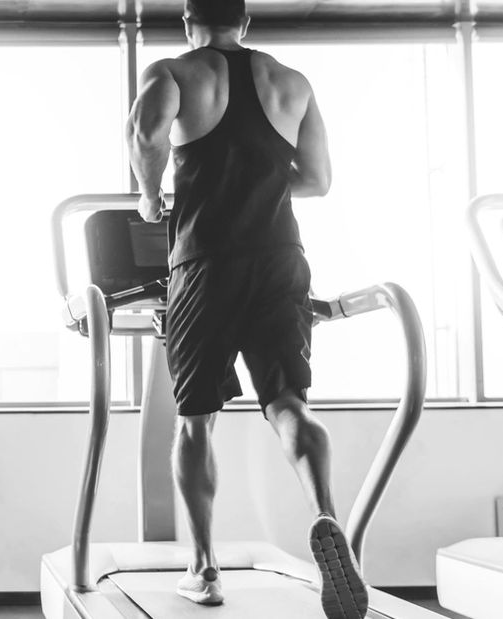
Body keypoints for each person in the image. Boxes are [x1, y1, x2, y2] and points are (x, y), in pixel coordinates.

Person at [125, 1, 366, 618]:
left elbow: (146, 136)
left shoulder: (174, 73)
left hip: (204, 260)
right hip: (281, 257)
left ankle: (204, 569)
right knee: (288, 402)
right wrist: (258, 176)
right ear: (245, 23)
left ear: (187, 22)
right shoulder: (292, 83)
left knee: (196, 420)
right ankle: (326, 518)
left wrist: (153, 201)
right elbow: (317, 180)